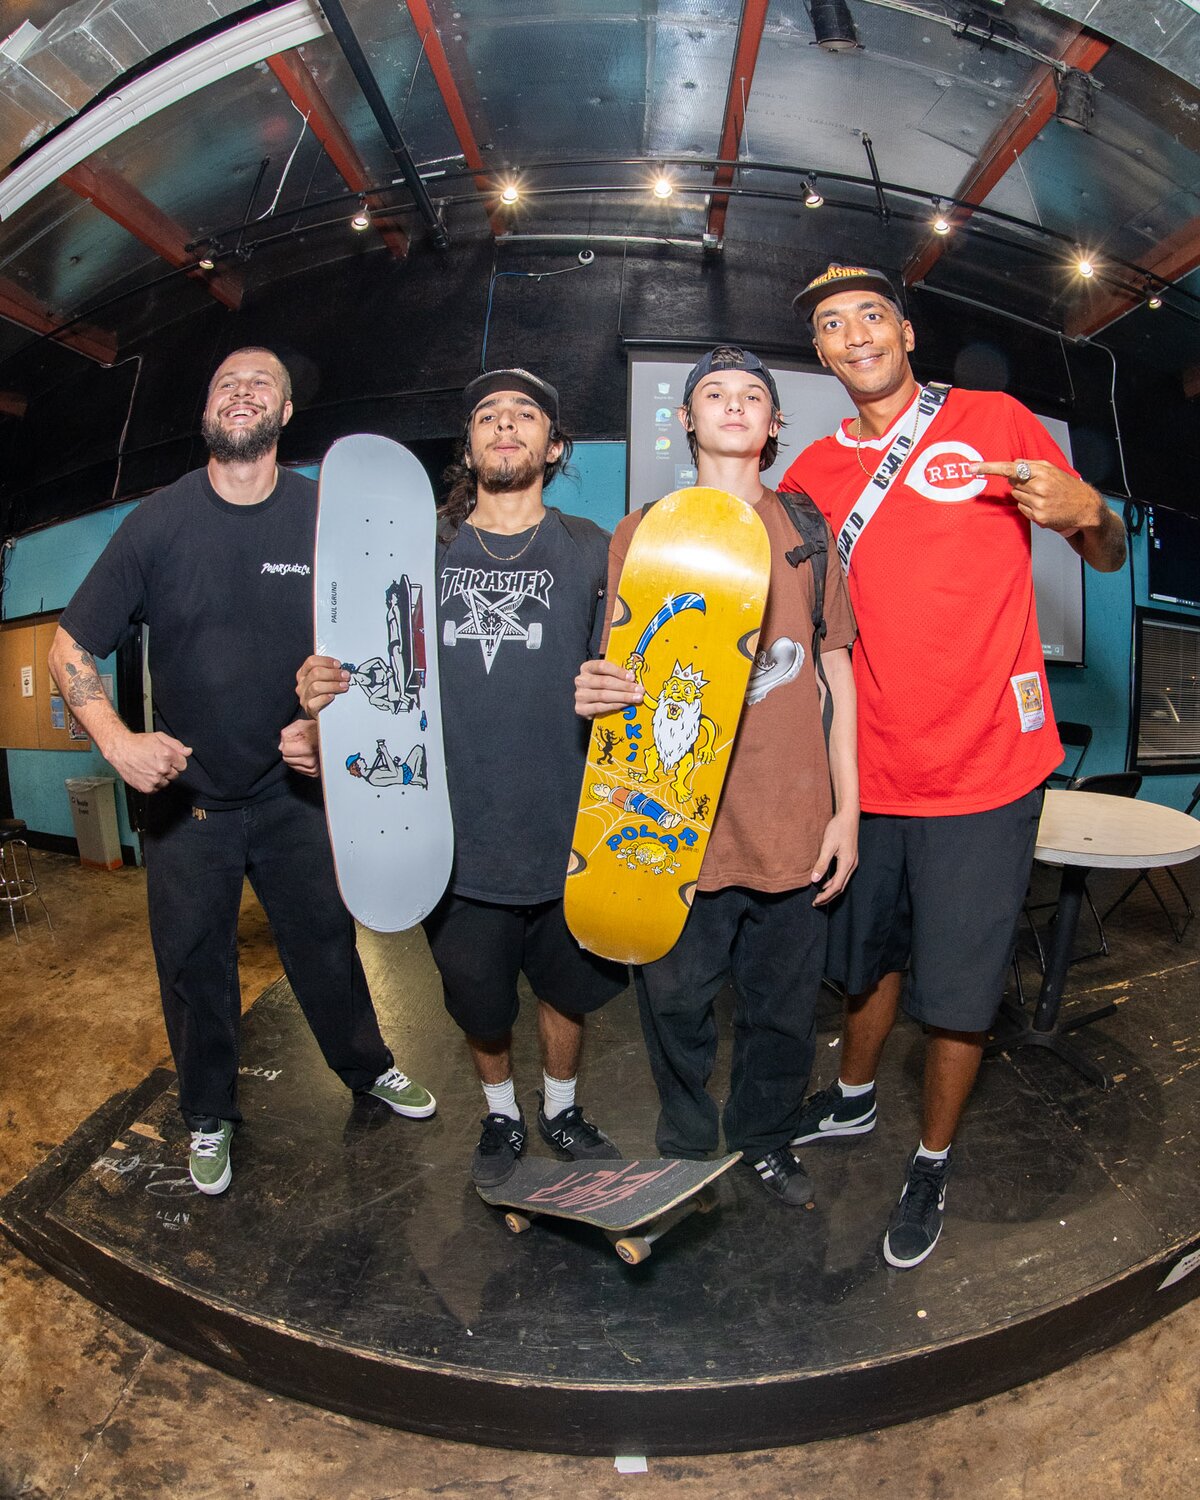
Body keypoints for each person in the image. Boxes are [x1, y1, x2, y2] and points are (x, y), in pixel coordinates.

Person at [779, 263, 1127, 1266]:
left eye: (871, 314)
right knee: (867, 961)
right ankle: (853, 1097)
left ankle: (930, 1158)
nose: (855, 333)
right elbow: (787, 622)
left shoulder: (991, 419)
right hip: (867, 777)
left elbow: (1103, 551)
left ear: (905, 332)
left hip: (984, 770)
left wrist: (1089, 509)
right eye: (832, 324)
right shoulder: (811, 475)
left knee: (962, 993)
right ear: (821, 353)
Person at [49, 347, 435, 1198]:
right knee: (194, 965)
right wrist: (118, 742)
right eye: (225, 381)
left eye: (261, 382)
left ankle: (367, 1067)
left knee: (326, 945)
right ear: (208, 410)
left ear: (285, 413)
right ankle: (207, 1113)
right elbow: (69, 646)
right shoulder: (157, 522)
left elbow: (370, 652)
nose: (241, 391)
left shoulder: (324, 518)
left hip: (292, 791)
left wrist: (327, 728)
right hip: (187, 801)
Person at [298, 369, 627, 1187]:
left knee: (565, 993)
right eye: (487, 415)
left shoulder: (595, 547)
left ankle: (560, 1107)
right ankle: (503, 1114)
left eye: (525, 414)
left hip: (565, 830)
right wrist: (323, 693)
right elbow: (366, 664)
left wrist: (621, 687)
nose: (505, 424)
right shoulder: (416, 548)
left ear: (555, 446)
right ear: (470, 445)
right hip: (450, 838)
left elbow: (628, 669)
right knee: (480, 1004)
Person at [575, 346, 859, 1207]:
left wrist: (848, 812)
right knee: (674, 1008)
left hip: (792, 818)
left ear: (773, 424)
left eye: (752, 396)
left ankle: (765, 1137)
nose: (734, 405)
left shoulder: (807, 533)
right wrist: (595, 689)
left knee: (783, 1011)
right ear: (686, 419)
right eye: (714, 394)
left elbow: (836, 671)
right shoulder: (643, 534)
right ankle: (687, 1147)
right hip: (673, 825)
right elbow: (621, 666)